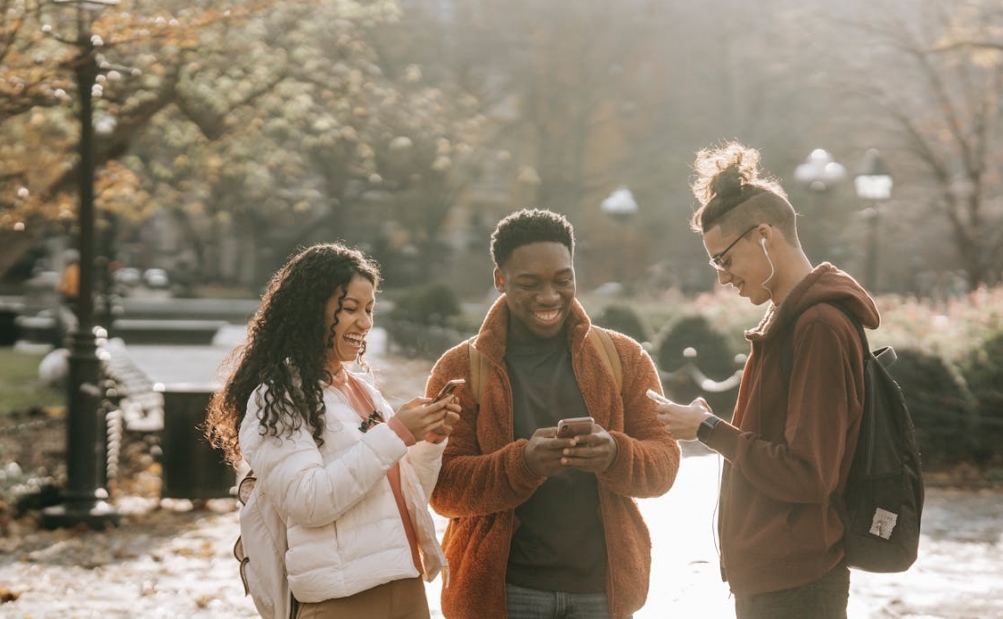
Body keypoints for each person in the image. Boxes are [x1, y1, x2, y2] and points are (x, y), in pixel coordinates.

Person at [655, 142, 880, 619]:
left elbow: (808, 474)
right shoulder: (791, 319)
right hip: (778, 574)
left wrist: (705, 429)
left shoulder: (817, 325)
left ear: (764, 235)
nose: (723, 278)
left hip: (797, 580)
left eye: (724, 260)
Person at [427, 208, 681, 619]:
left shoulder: (623, 357)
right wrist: (521, 464)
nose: (549, 296)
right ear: (500, 280)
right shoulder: (460, 368)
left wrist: (615, 454)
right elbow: (442, 489)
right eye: (529, 283)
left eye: (563, 280)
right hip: (504, 595)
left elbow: (665, 464)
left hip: (602, 592)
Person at [204, 242, 459, 619]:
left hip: (405, 584)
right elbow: (309, 501)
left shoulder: (363, 391)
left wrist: (429, 442)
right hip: (342, 601)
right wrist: (396, 433)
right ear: (311, 312)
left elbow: (406, 497)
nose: (365, 323)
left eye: (369, 309)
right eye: (351, 308)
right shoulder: (277, 398)